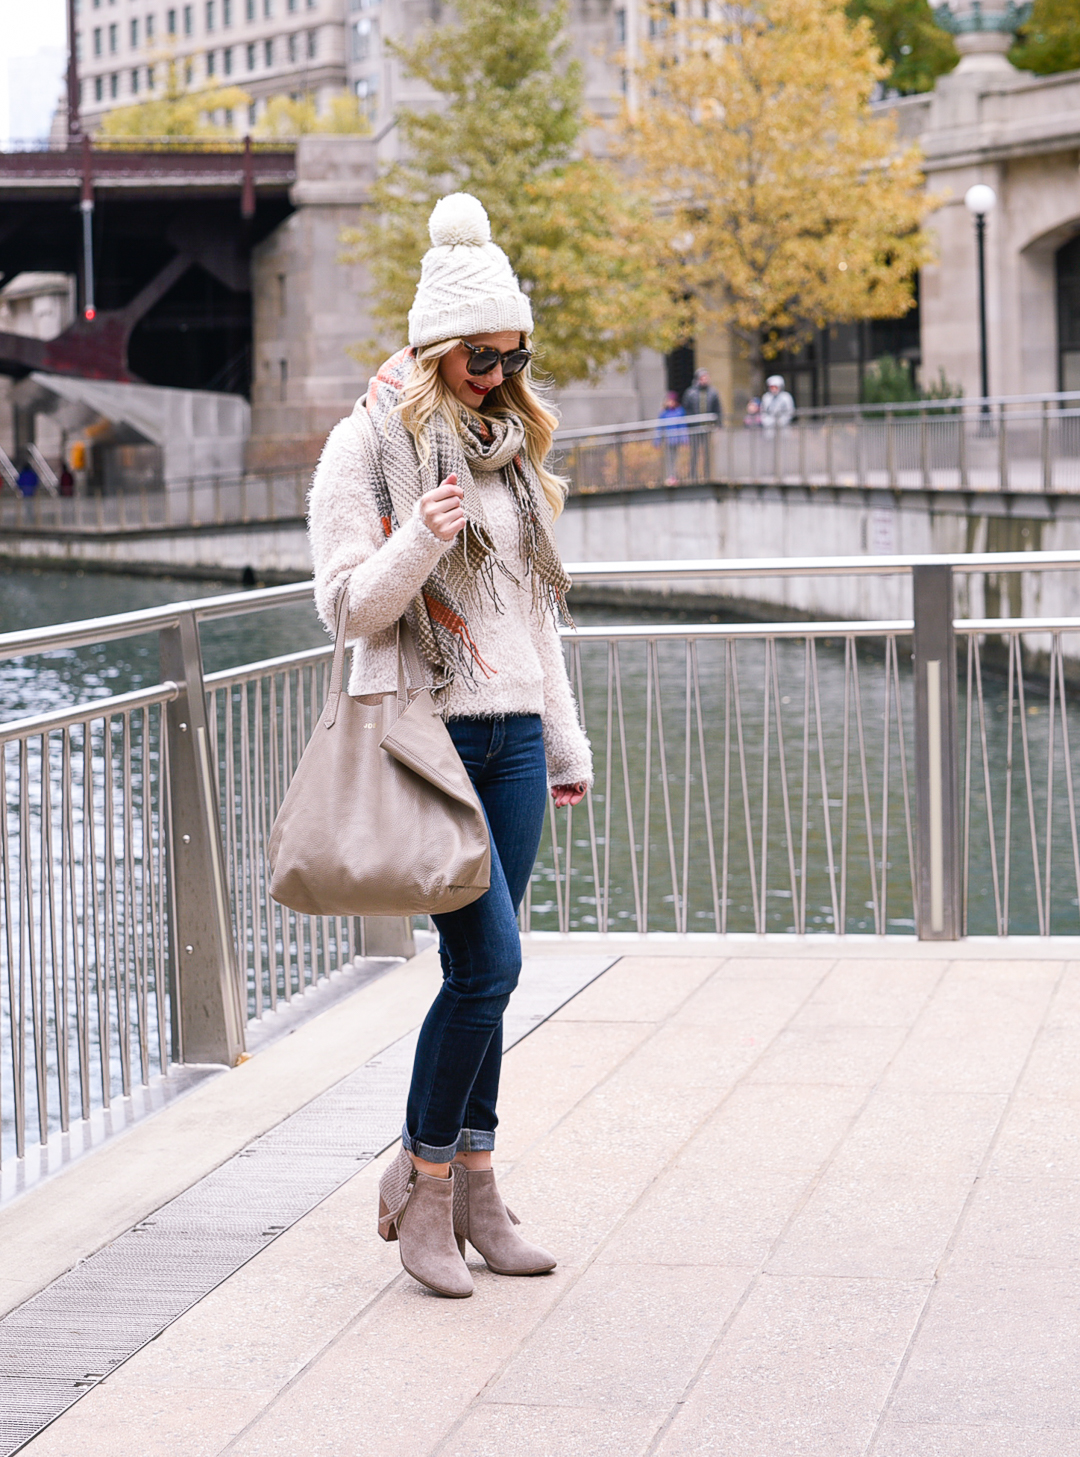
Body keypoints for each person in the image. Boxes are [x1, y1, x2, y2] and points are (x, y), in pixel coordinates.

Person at [307, 192, 592, 1299]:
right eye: (483, 353)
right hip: (428, 742)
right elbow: (343, 608)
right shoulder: (364, 448)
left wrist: (561, 743)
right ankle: (426, 1185)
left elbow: (533, 614)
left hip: (514, 739)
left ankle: (475, 1182)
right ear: (438, 346)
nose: (501, 370)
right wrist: (418, 544)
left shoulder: (511, 452)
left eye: (516, 351)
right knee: (489, 965)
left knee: (490, 977)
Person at [681, 368, 722, 480]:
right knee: (694, 453)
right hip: (695, 428)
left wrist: (718, 426)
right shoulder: (690, 393)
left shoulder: (713, 393)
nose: (705, 380)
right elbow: (686, 410)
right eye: (702, 378)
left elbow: (718, 410)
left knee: (708, 454)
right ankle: (693, 476)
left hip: (708, 429)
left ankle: (708, 475)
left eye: (706, 378)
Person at [656, 389, 687, 485]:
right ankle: (670, 476)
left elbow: (683, 426)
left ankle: (675, 476)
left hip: (676, 440)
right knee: (669, 459)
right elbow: (660, 428)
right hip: (668, 440)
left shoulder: (679, 412)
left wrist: (685, 439)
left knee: (676, 459)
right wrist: (657, 441)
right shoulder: (664, 413)